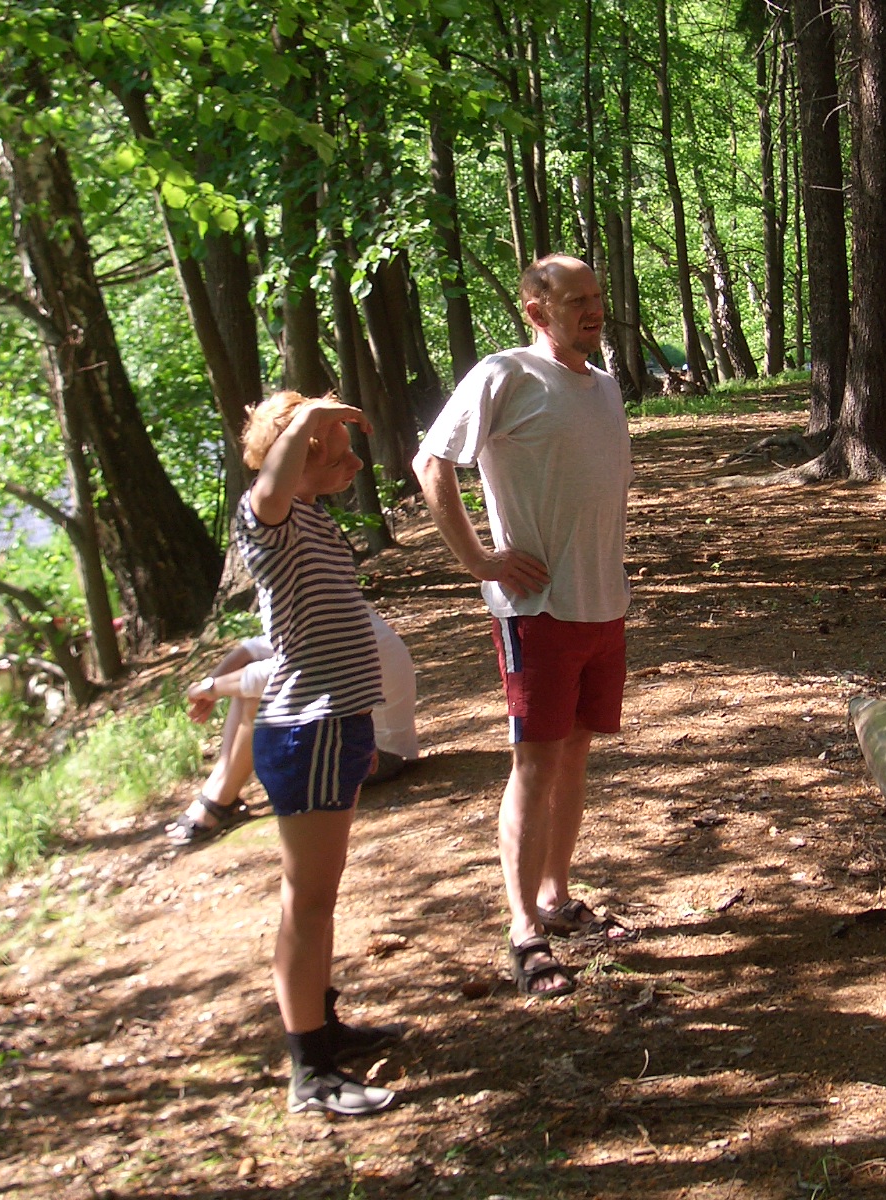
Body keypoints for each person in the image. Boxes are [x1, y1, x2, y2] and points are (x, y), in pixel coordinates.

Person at [413, 254, 635, 1000]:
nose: (593, 310)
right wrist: (480, 559)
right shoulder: (504, 374)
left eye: (597, 296)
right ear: (537, 312)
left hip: (602, 602)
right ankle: (523, 930)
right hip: (536, 611)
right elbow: (431, 463)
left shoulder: (605, 386)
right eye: (575, 300)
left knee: (575, 754)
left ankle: (556, 897)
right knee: (535, 763)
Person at [235, 391, 402, 1116]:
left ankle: (321, 1023)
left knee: (316, 897)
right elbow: (269, 489)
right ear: (297, 456)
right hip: (309, 730)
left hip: (337, 727)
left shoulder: (309, 518)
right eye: (338, 454)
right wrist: (307, 419)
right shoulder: (267, 518)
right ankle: (310, 1071)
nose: (355, 465)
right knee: (307, 901)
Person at [168, 609, 420, 844]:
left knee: (261, 694)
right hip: (359, 740)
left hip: (379, 754)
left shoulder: (335, 624)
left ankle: (220, 799)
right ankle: (219, 785)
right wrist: (212, 682)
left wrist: (210, 688)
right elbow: (251, 650)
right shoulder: (333, 609)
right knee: (249, 679)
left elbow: (274, 675)